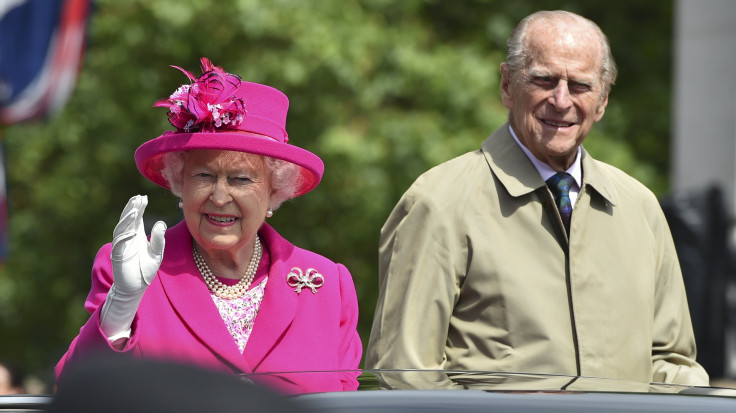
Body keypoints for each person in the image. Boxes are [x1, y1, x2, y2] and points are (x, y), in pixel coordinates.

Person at [366, 10, 709, 386]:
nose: (561, 101)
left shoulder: (640, 208)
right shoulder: (439, 202)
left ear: (603, 100)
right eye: (544, 80)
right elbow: (406, 374)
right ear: (507, 85)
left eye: (580, 85)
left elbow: (670, 365)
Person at [56, 58, 362, 393]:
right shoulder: (133, 271)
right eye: (203, 176)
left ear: (274, 190)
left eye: (241, 179)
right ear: (179, 183)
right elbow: (75, 390)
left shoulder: (328, 283)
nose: (219, 197)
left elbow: (348, 401)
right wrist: (120, 307)